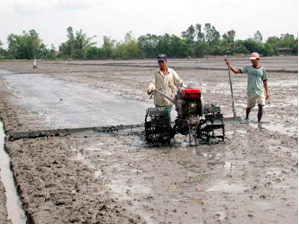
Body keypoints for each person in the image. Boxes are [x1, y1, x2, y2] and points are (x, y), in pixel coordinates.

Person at [225, 52, 269, 122]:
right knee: (249, 107)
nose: (252, 61)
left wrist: (267, 92)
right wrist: (229, 65)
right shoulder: (248, 68)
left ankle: (259, 121)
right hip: (251, 91)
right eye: (251, 60)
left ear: (258, 59)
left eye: (253, 60)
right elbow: (236, 71)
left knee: (261, 106)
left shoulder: (262, 69)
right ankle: (247, 117)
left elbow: (265, 81)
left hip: (260, 91)